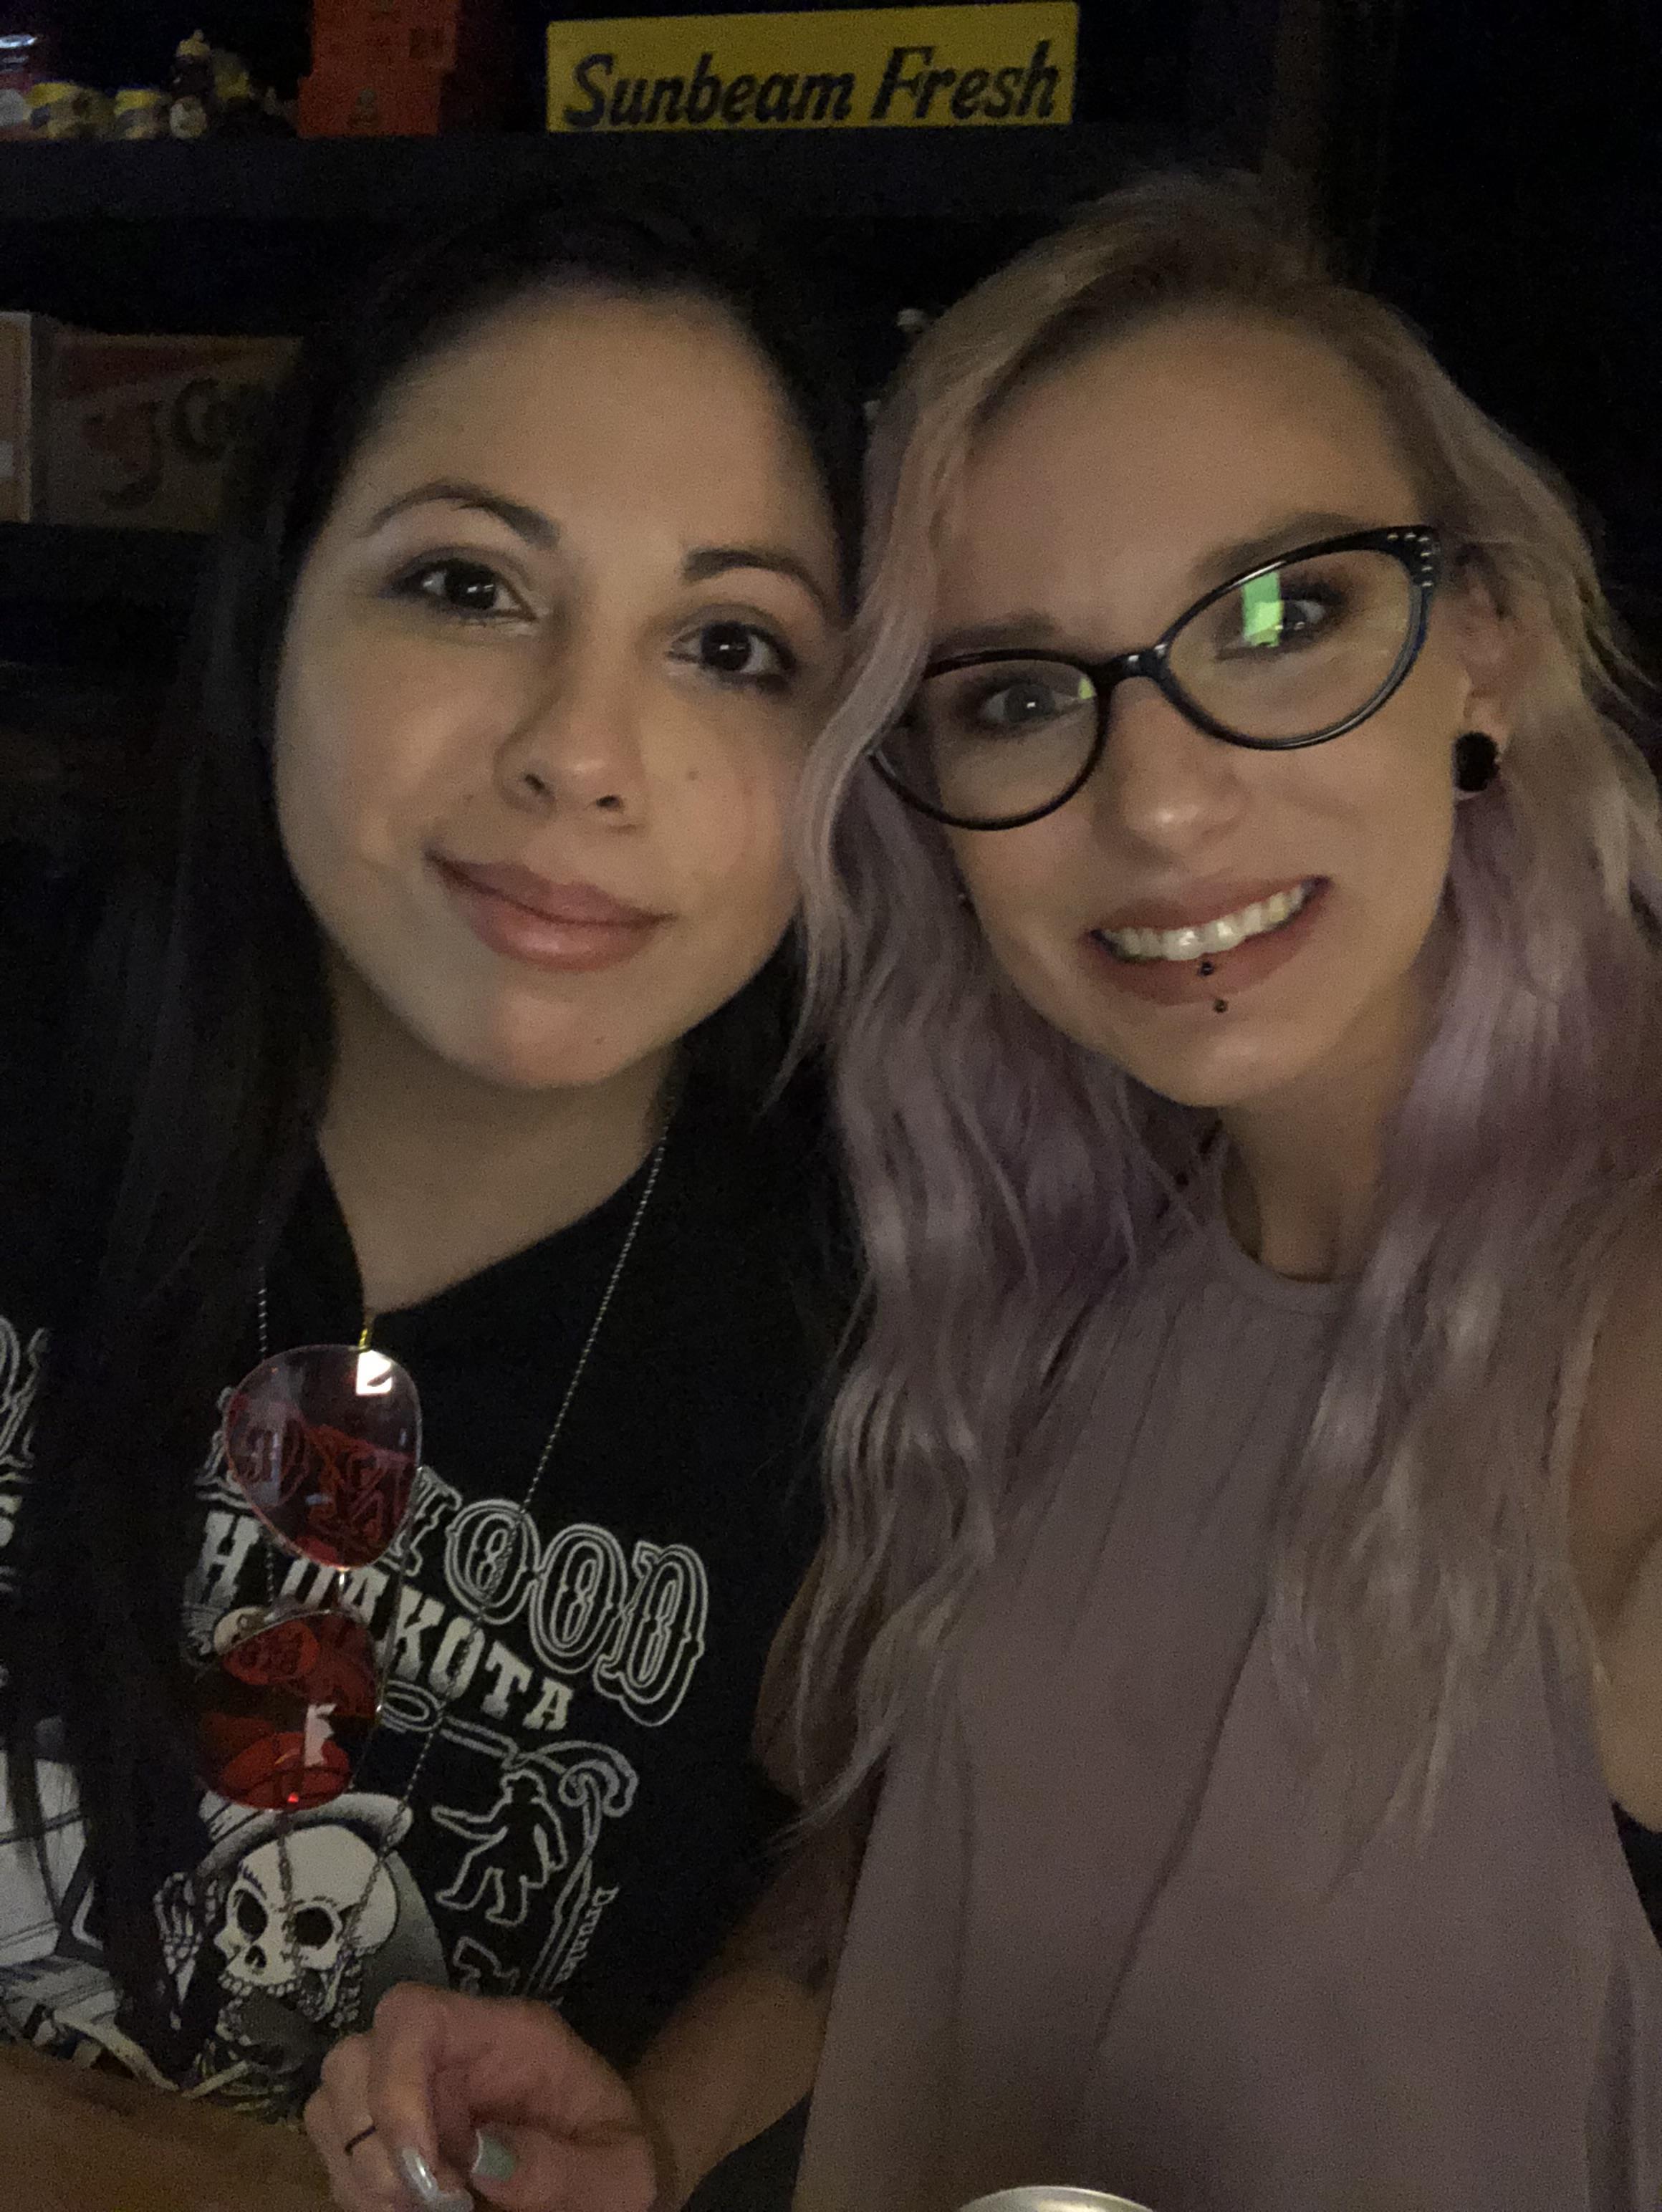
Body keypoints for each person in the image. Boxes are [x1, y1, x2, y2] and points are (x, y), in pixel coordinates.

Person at [313, 174, 1662, 2212]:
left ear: (1482, 647)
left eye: (1281, 618)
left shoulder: (1627, 1345)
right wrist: (658, 2129)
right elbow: (930, 1858)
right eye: (1020, 693)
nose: (1162, 802)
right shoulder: (1044, 1283)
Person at [0, 193, 859, 2185]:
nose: (583, 753)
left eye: (729, 645)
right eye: (468, 585)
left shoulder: (893, 1327)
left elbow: (882, 1862)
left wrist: (656, 2137)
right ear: (279, 611)